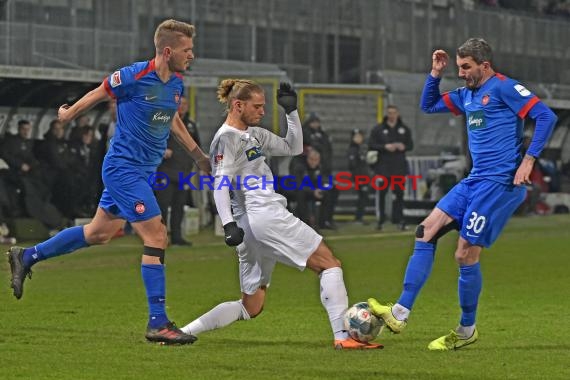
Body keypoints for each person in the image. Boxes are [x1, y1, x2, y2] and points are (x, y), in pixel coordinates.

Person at [6, 19, 210, 345]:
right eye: (187, 50)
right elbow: (101, 92)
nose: (192, 55)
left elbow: (173, 119)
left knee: (98, 233)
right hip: (123, 170)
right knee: (157, 234)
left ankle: (27, 256)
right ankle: (158, 323)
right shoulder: (133, 76)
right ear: (168, 50)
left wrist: (199, 155)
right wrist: (68, 114)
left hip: (142, 171)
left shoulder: (176, 85)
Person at [368, 38, 557, 351]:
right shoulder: (466, 94)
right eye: (459, 67)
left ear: (484, 65)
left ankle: (466, 329)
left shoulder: (504, 87)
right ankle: (399, 313)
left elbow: (546, 116)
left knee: (464, 253)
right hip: (474, 180)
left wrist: (529, 158)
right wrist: (435, 74)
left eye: (466, 67)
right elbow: (429, 105)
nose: (462, 73)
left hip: (500, 184)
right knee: (425, 231)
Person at [179, 79, 382, 350]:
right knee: (330, 264)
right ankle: (343, 337)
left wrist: (291, 112)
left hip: (250, 227)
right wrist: (227, 224)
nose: (263, 111)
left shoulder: (254, 134)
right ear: (238, 105)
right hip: (264, 215)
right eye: (258, 106)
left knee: (251, 306)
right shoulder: (227, 138)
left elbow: (293, 147)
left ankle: (182, 332)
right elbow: (220, 185)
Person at [156, 96, 200, 246]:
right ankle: (160, 238)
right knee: (162, 205)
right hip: (165, 170)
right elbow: (152, 141)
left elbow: (196, 147)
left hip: (183, 172)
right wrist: (162, 150)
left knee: (179, 206)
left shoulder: (191, 126)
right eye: (180, 104)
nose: (182, 107)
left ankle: (177, 237)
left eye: (185, 104)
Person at [368, 105, 413, 231]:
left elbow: (410, 145)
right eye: (389, 113)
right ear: (386, 114)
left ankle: (399, 220)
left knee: (399, 195)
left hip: (399, 168)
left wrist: (403, 147)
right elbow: (371, 145)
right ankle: (380, 221)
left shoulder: (404, 129)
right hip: (383, 168)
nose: (392, 115)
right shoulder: (378, 129)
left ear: (397, 114)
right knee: (381, 194)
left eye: (394, 113)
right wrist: (385, 147)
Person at [347, 129, 370, 224]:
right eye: (356, 137)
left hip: (363, 176)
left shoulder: (360, 148)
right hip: (360, 177)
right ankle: (358, 217)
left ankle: (359, 217)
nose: (359, 138)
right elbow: (353, 165)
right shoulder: (353, 149)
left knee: (363, 196)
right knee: (362, 196)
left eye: (360, 136)